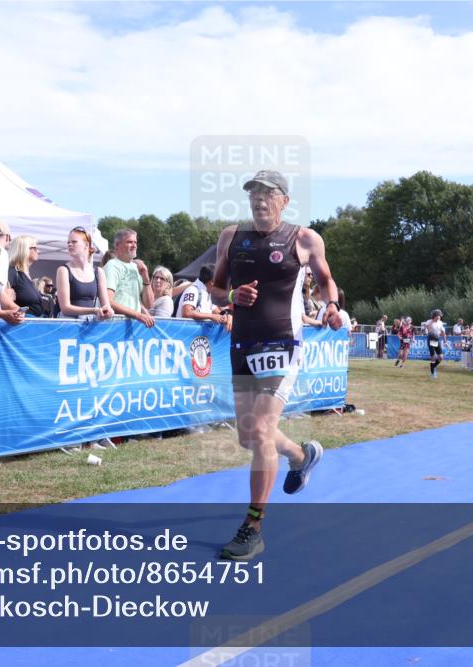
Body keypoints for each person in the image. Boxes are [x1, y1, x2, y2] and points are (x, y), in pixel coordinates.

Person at [211, 169, 342, 561]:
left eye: (268, 194)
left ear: (284, 200)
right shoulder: (231, 237)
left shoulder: (303, 238)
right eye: (253, 193)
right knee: (249, 437)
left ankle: (253, 527)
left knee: (263, 433)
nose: (259, 200)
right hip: (242, 344)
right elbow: (215, 287)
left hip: (283, 344)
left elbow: (326, 280)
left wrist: (332, 306)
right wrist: (233, 293)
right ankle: (302, 456)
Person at [56, 226, 114, 321]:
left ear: (86, 245)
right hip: (69, 325)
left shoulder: (99, 272)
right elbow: (65, 308)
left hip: (90, 326)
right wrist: (93, 311)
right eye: (68, 242)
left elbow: (106, 305)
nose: (70, 245)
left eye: (74, 242)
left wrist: (108, 311)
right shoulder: (63, 270)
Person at [104, 229, 154, 327]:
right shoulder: (112, 266)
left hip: (133, 327)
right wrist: (137, 315)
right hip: (115, 325)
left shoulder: (137, 268)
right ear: (117, 245)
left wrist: (145, 277)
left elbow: (149, 305)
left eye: (135, 242)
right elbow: (108, 301)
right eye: (129, 242)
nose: (134, 245)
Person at [7, 235, 52, 317]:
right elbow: (3, 297)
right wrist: (20, 312)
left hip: (31, 324)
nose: (38, 251)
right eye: (35, 248)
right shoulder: (12, 271)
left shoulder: (24, 274)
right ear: (24, 250)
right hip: (21, 325)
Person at [424, 309, 447, 378]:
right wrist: (432, 322)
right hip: (431, 340)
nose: (440, 317)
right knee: (433, 357)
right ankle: (433, 373)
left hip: (437, 340)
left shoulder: (440, 322)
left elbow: (443, 332)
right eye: (439, 315)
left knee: (441, 357)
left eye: (440, 315)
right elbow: (427, 329)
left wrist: (445, 340)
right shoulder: (429, 321)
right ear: (435, 315)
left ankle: (433, 367)